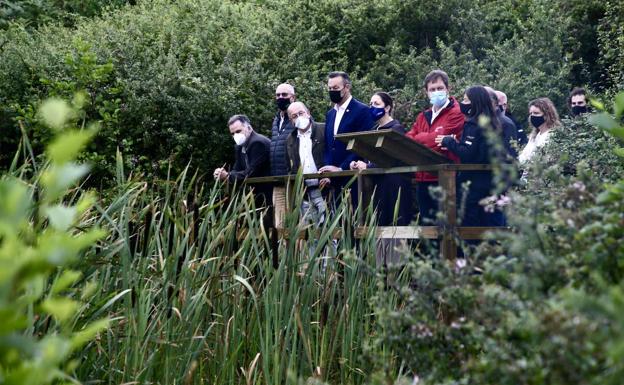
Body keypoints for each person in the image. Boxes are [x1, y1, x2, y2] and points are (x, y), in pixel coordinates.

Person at [350, 92, 413, 265]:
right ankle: (380, 274)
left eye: (376, 104)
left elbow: (392, 158)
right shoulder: (372, 130)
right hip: (377, 188)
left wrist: (368, 167)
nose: (372, 107)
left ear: (387, 107)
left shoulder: (396, 129)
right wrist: (358, 163)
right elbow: (369, 157)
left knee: (395, 228)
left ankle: (397, 274)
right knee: (378, 228)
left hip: (394, 187)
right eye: (370, 103)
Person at [435, 85, 505, 227]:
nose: (463, 103)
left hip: (474, 186)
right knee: (489, 227)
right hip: (490, 183)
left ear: (475, 102)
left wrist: (448, 141)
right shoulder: (494, 122)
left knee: (471, 227)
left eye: (466, 100)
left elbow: (468, 153)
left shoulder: (474, 124)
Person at [406, 69, 464, 225]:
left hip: (446, 179)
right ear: (426, 92)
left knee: (448, 230)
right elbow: (408, 141)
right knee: (428, 230)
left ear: (448, 89)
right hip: (423, 179)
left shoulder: (457, 113)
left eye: (440, 88)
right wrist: (430, 138)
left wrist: (421, 137)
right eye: (432, 89)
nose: (436, 92)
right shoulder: (422, 116)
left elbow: (438, 144)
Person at [319, 71, 374, 203]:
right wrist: (328, 170)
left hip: (353, 178)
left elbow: (361, 145)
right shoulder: (330, 114)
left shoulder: (362, 111)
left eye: (336, 88)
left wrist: (341, 169)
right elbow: (328, 145)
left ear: (347, 87)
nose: (332, 91)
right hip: (332, 181)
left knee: (353, 220)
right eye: (330, 88)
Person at [285, 102, 330, 226]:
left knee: (329, 230)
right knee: (310, 233)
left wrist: (330, 175)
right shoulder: (290, 139)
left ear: (308, 113)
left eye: (301, 113)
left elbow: (334, 155)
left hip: (324, 189)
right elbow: (290, 167)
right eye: (294, 116)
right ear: (291, 121)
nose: (299, 117)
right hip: (304, 193)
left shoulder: (324, 129)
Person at [213, 114, 272, 204]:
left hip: (268, 192)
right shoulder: (239, 147)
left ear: (249, 128)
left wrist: (228, 176)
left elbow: (251, 173)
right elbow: (237, 169)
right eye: (232, 134)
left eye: (238, 131)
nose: (235, 135)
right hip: (255, 193)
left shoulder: (258, 143)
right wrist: (222, 173)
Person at [270, 83, 297, 229]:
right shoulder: (276, 120)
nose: (280, 98)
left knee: (295, 225)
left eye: (284, 95)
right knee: (279, 226)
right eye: (278, 95)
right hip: (278, 180)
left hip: (292, 180)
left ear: (292, 97)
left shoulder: (297, 119)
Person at [518, 97, 561, 165]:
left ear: (547, 115)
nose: (532, 116)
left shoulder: (553, 135)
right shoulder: (534, 135)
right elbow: (524, 157)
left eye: (536, 113)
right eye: (531, 113)